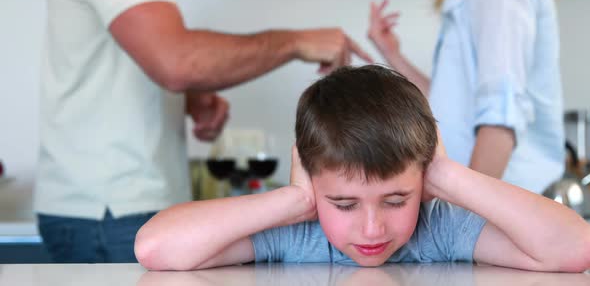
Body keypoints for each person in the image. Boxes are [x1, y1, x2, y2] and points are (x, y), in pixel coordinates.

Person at [35, 0, 372, 263]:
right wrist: (296, 42)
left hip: (114, 209)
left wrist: (190, 97)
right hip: (110, 213)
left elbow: (149, 59)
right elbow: (176, 61)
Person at [134, 65, 590, 272]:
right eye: (344, 203)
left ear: (423, 181)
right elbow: (155, 248)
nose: (372, 228)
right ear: (312, 182)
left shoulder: (439, 229)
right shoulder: (295, 229)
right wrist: (294, 200)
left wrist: (448, 175)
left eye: (396, 199)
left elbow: (573, 249)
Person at [367, 0, 564, 194]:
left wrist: (465, 219)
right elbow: (448, 105)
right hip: (504, 202)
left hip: (506, 202)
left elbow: (501, 117)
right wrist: (392, 54)